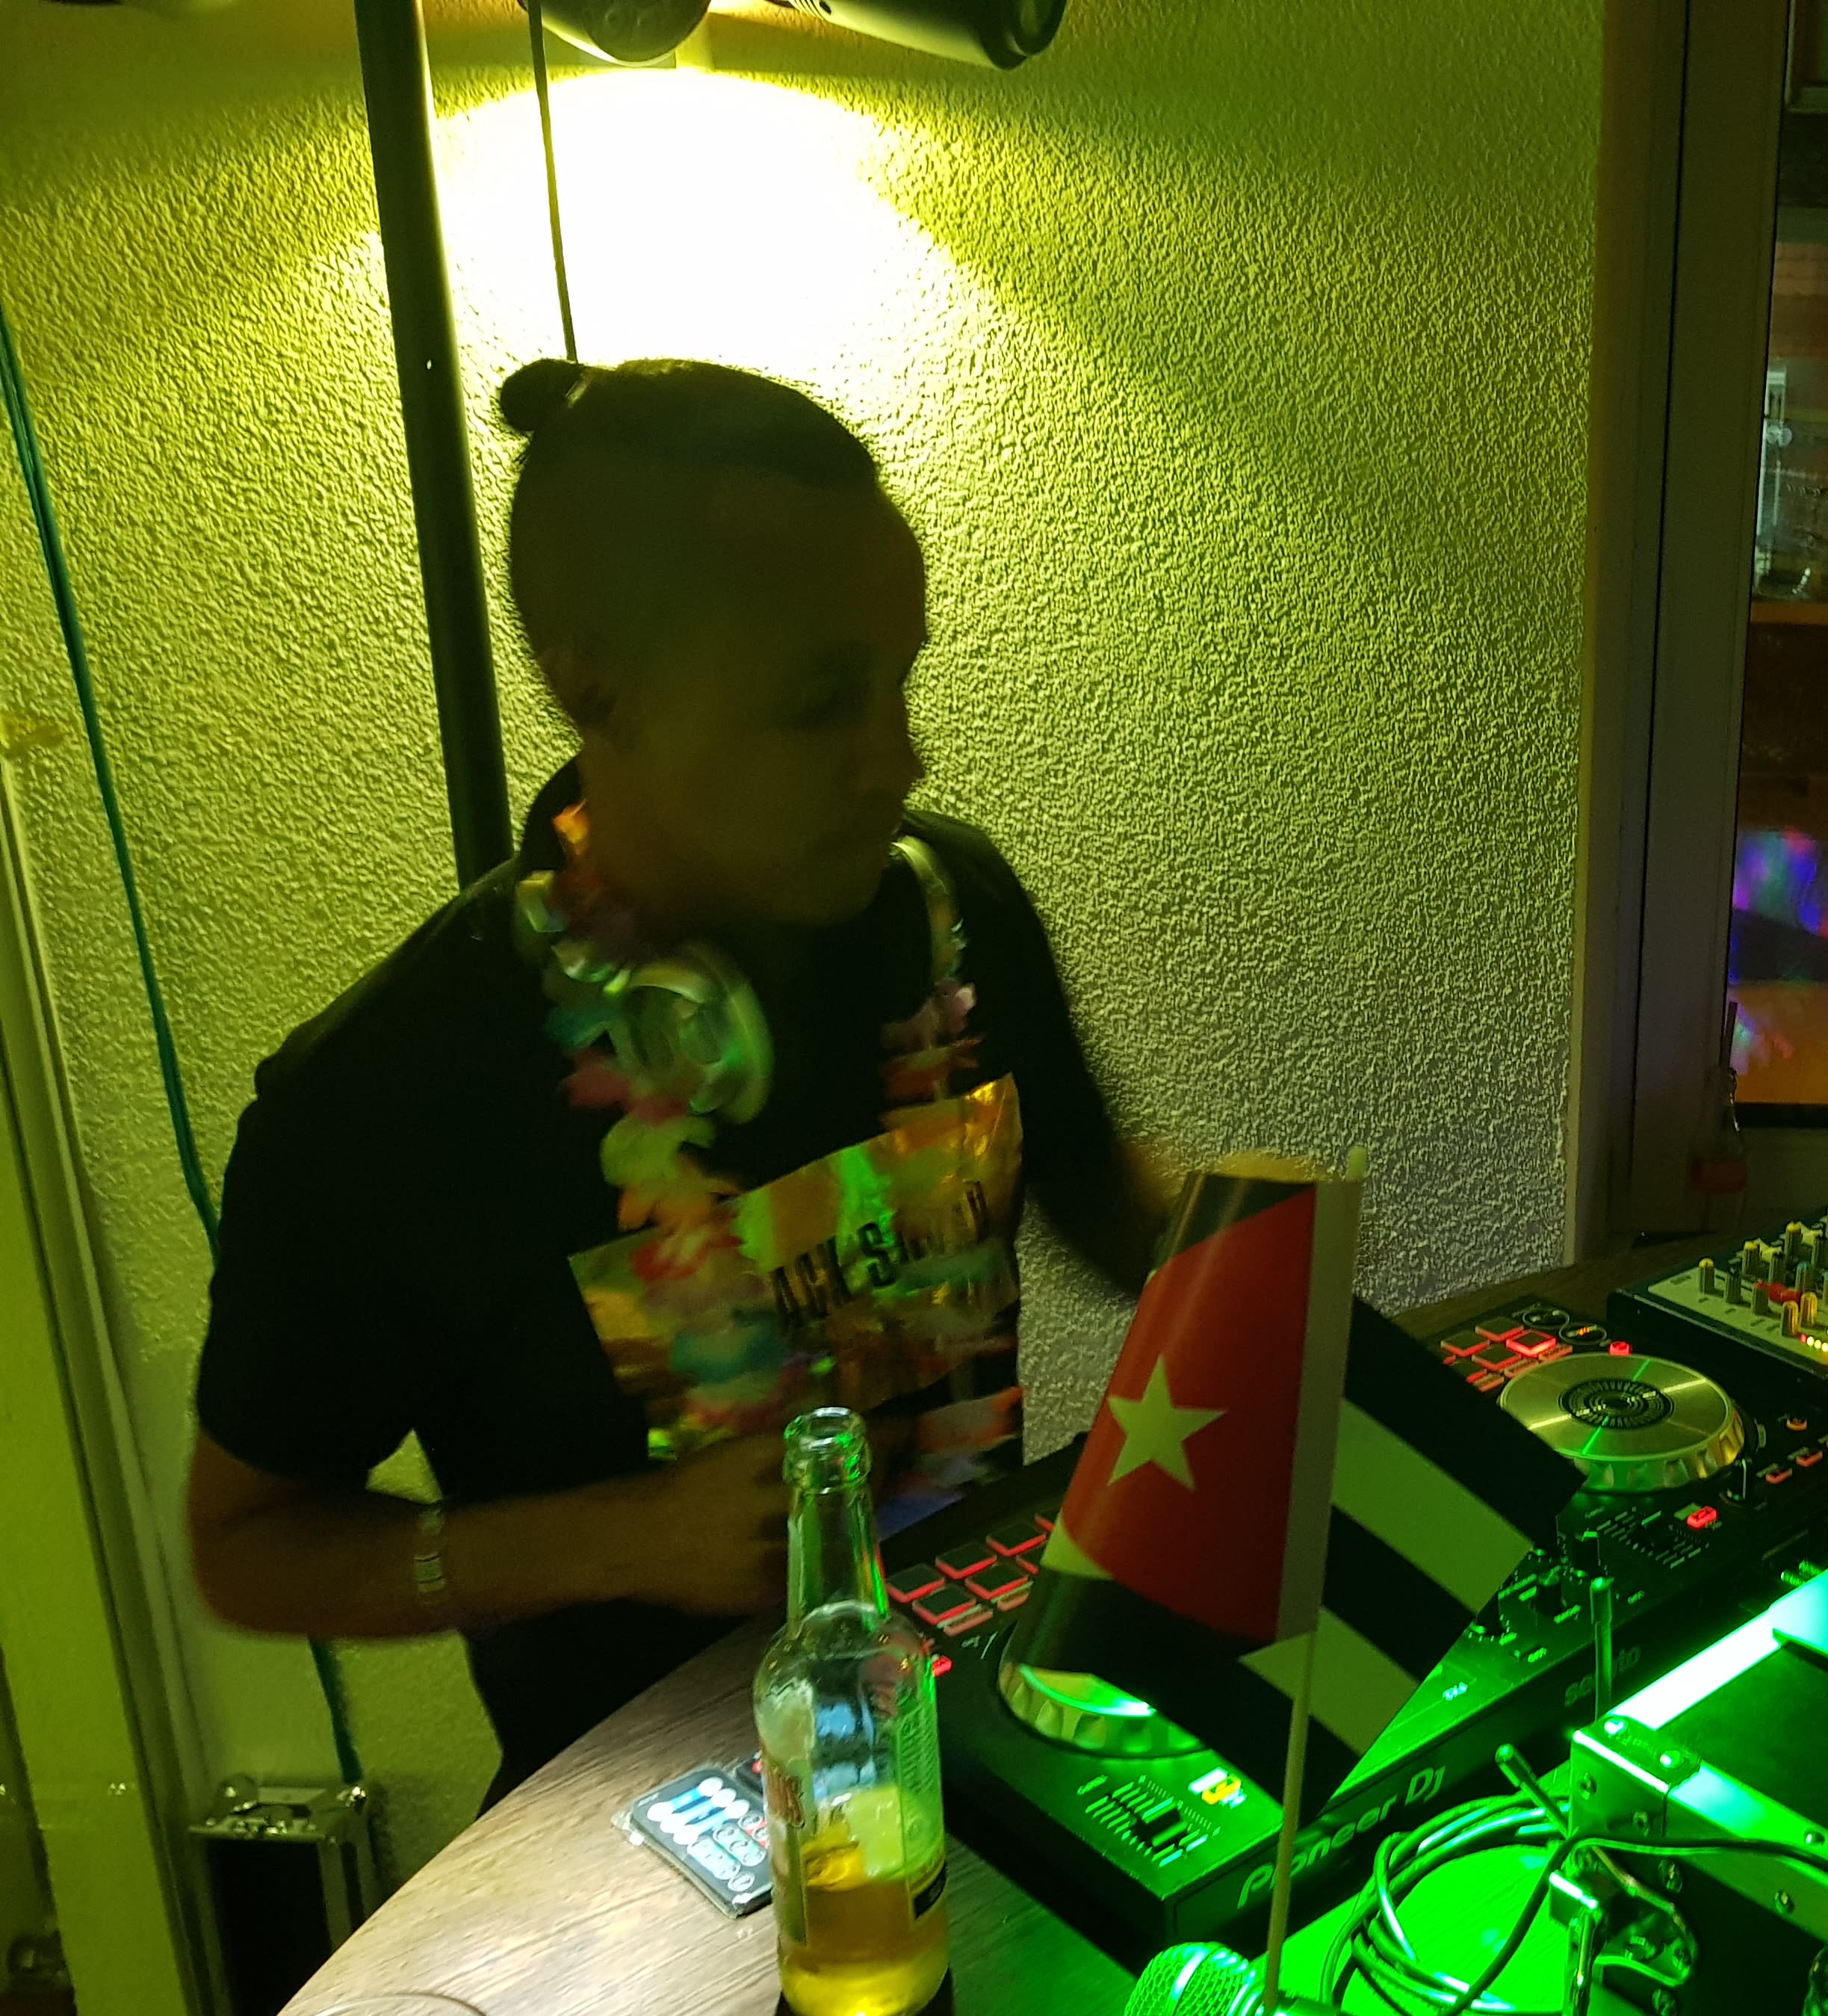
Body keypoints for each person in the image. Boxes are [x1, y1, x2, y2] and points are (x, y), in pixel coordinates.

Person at [189, 357, 1164, 1799]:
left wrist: (1248, 1248)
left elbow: (1091, 1184)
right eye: (821, 702)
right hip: (644, 1819)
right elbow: (246, 1548)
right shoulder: (385, 1096)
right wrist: (624, 1540)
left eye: (900, 678)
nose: (898, 758)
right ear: (593, 680)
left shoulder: (949, 908)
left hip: (981, 1713)